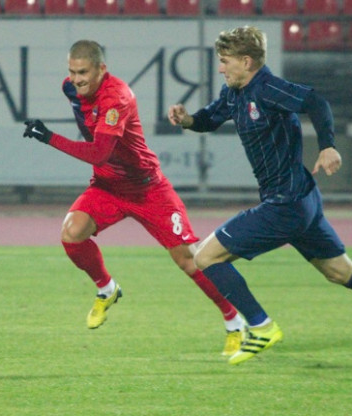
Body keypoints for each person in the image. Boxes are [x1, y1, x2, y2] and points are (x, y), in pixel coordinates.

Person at [167, 26, 352, 365]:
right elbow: (210, 118)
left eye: (225, 61)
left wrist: (328, 146)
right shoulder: (234, 92)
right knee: (339, 271)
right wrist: (188, 119)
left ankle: (261, 327)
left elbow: (316, 102)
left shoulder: (268, 88)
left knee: (204, 257)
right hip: (302, 199)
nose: (221, 68)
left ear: (246, 61)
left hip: (285, 203)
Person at [23, 40, 246, 356]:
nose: (76, 79)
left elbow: (100, 152)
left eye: (83, 72)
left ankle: (234, 321)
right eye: (72, 72)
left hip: (148, 189)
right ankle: (107, 289)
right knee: (72, 233)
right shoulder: (71, 88)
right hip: (108, 186)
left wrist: (49, 137)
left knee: (189, 260)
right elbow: (99, 152)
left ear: (102, 69)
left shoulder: (118, 98)